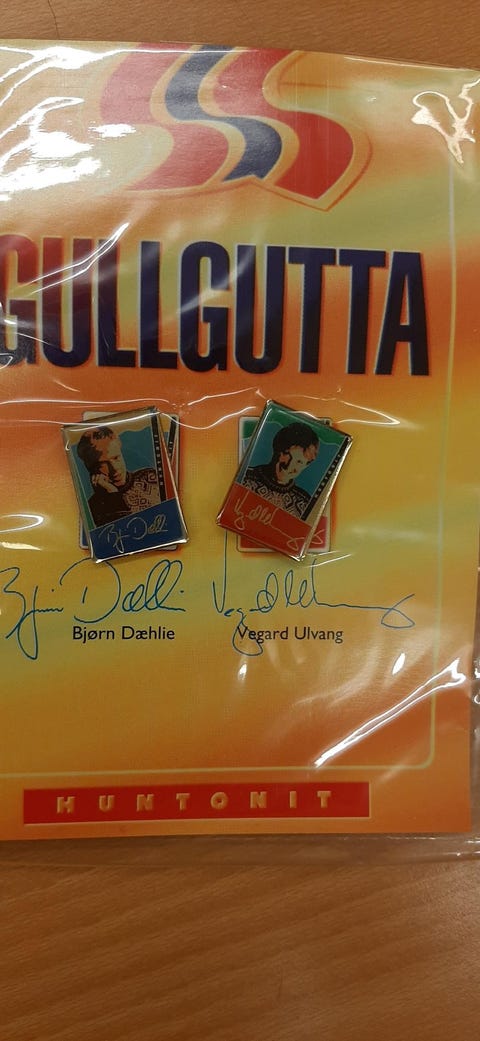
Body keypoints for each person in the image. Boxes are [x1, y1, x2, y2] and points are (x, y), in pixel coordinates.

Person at [77, 426, 161, 527]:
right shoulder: (92, 508)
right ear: (91, 468)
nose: (115, 468)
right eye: (103, 464)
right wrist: (113, 496)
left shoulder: (151, 477)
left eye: (116, 457)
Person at [244, 421, 319, 518]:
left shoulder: (305, 503)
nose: (289, 466)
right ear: (276, 449)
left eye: (299, 462)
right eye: (287, 455)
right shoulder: (244, 478)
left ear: (306, 465)